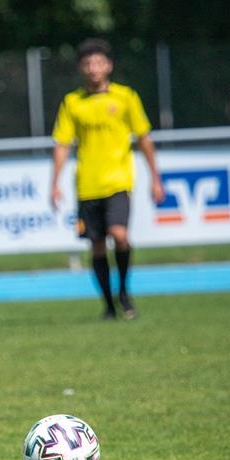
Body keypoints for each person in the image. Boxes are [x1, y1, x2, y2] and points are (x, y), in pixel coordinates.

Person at [49, 38, 164, 320]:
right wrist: (54, 182)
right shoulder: (73, 102)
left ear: (109, 66)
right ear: (81, 68)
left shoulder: (125, 97)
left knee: (120, 235)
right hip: (88, 184)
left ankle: (124, 292)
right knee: (97, 245)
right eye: (88, 63)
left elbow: (144, 138)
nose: (93, 68)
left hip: (118, 181)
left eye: (98, 62)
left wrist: (155, 178)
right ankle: (109, 305)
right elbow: (62, 143)